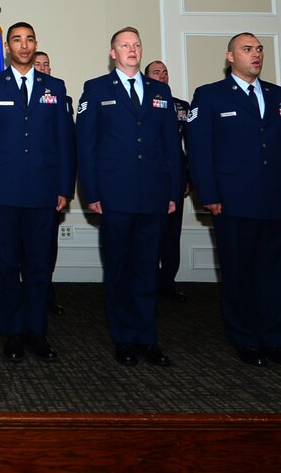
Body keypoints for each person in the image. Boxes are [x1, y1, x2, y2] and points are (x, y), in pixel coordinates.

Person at [186, 33, 281, 367]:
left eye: (259, 49)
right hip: (232, 201)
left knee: (275, 276)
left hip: (275, 202)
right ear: (230, 56)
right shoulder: (209, 96)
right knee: (238, 274)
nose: (256, 54)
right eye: (247, 49)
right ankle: (245, 339)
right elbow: (199, 150)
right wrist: (208, 195)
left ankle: (273, 338)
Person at [77, 27, 180, 368]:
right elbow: (86, 146)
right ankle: (123, 338)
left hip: (154, 194)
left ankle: (147, 337)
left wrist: (173, 190)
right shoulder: (96, 89)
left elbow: (171, 146)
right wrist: (90, 191)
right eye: (125, 45)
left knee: (148, 269)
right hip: (114, 195)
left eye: (137, 44)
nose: (132, 49)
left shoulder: (160, 90)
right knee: (120, 270)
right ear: (113, 53)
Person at [0, 22, 74, 362]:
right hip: (1, 192)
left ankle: (37, 332)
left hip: (44, 192)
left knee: (38, 266)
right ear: (8, 47)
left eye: (29, 39)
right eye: (17, 39)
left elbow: (65, 141)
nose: (24, 45)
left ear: (35, 44)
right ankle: (12, 333)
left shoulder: (55, 87)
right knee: (8, 263)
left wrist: (64, 187)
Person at [144, 59, 191, 303]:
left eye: (165, 72)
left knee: (172, 235)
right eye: (156, 72)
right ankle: (148, 284)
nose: (161, 76)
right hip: (150, 179)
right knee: (151, 235)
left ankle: (168, 282)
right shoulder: (141, 104)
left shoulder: (182, 107)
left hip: (175, 177)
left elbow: (190, 146)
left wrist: (188, 179)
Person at [33, 51, 67, 316]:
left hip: (48, 188)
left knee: (46, 249)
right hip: (15, 187)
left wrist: (64, 187)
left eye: (46, 64)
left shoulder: (59, 96)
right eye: (38, 64)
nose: (43, 68)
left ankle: (46, 293)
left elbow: (67, 144)